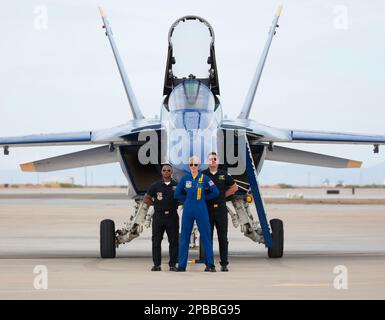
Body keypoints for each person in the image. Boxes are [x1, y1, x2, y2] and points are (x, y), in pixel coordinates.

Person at [174, 156, 219, 272]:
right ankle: (182, 265)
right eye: (191, 164)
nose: (193, 167)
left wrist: (204, 198)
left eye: (195, 165)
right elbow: (177, 194)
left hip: (201, 209)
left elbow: (216, 192)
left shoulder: (205, 178)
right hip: (188, 208)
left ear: (199, 166)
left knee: (206, 237)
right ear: (189, 166)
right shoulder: (185, 178)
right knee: (184, 237)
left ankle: (210, 265)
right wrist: (187, 199)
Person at [203, 152, 238, 272]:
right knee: (208, 238)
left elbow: (234, 187)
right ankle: (209, 264)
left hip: (221, 210)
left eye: (215, 159)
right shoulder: (203, 175)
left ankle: (224, 264)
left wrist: (223, 196)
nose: (212, 161)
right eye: (210, 159)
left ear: (218, 161)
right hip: (207, 209)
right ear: (207, 161)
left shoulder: (224, 175)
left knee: (222, 237)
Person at [144, 164, 179, 272]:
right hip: (159, 216)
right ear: (162, 172)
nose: (167, 172)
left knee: (173, 242)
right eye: (164, 170)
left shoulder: (176, 185)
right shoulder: (155, 185)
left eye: (169, 170)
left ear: (171, 172)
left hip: (172, 216)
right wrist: (156, 204)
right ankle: (157, 265)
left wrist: (174, 204)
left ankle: (172, 265)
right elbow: (146, 199)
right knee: (156, 241)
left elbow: (183, 198)